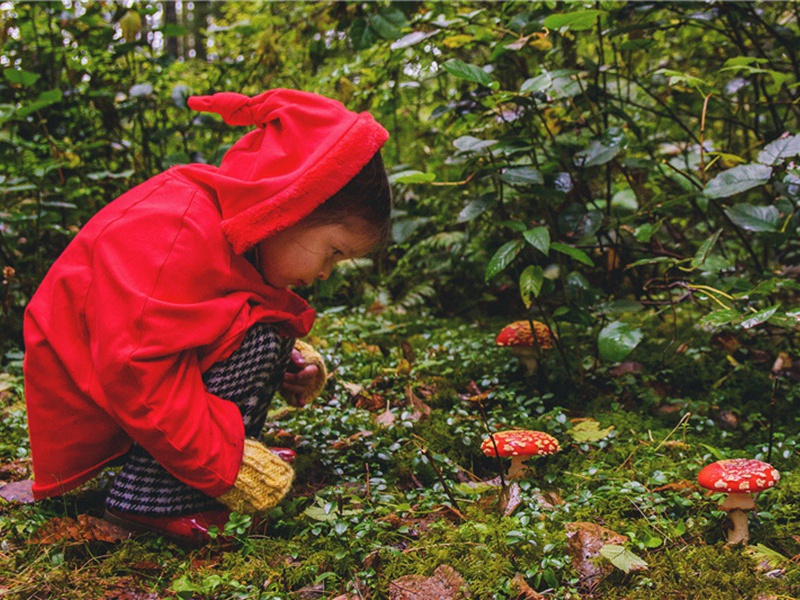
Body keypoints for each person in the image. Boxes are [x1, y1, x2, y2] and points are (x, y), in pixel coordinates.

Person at [22, 89, 391, 545]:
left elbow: (220, 312)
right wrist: (226, 463)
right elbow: (137, 375)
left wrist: (291, 357)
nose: (324, 273)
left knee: (270, 338)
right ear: (292, 205)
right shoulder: (176, 230)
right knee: (260, 341)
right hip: (92, 404)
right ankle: (150, 501)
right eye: (332, 252)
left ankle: (201, 466)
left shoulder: (227, 227)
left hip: (119, 386)